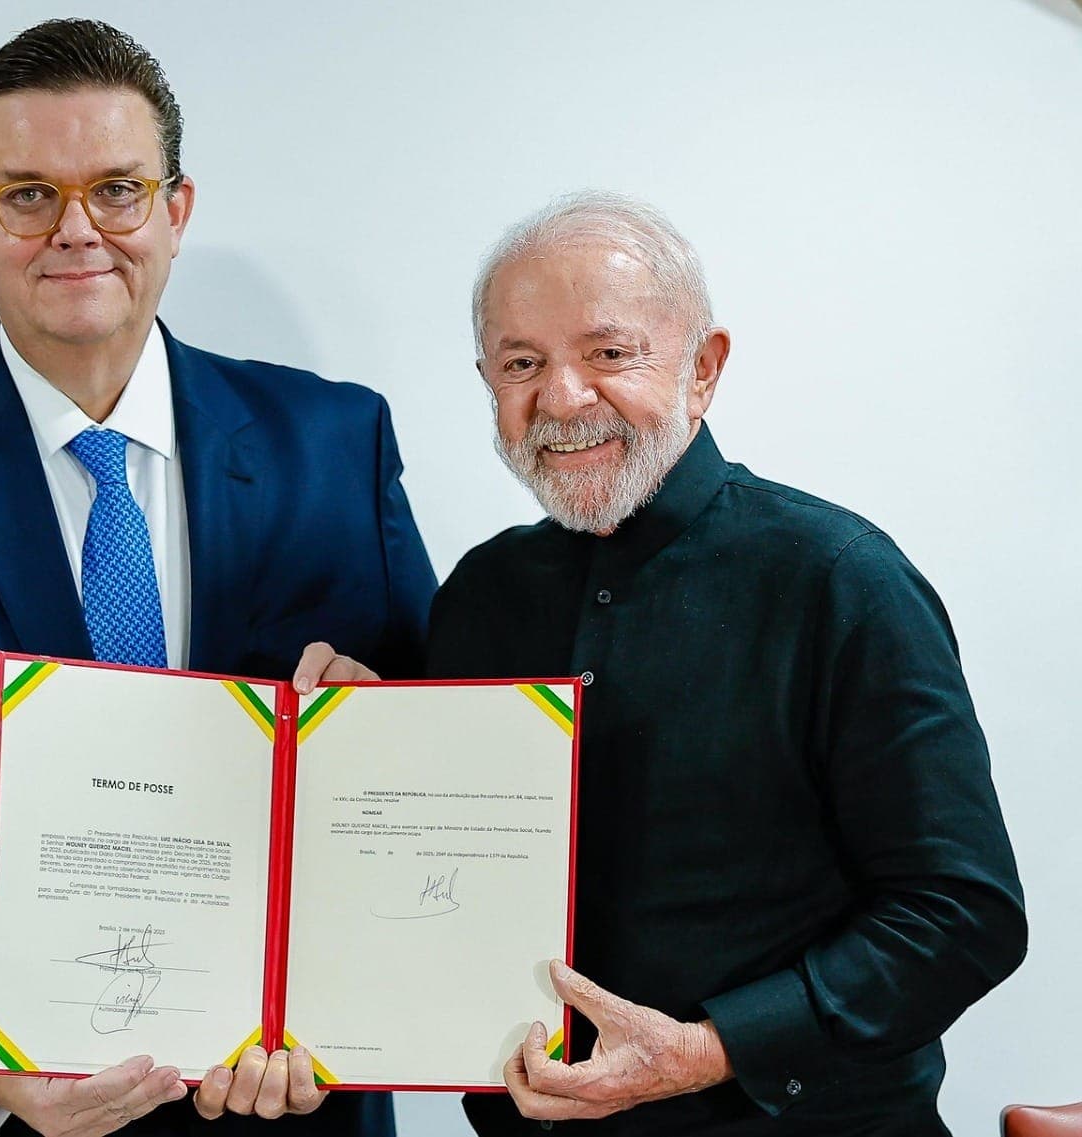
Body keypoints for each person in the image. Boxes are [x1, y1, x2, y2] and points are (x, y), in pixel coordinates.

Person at [0, 18, 433, 1137]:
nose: (76, 230)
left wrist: (380, 735)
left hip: (286, 1100)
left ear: (176, 210)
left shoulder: (334, 445)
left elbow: (435, 772)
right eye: (27, 195)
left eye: (117, 190)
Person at [294, 192, 1026, 1135]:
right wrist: (358, 753)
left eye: (608, 352)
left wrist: (709, 1049)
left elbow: (964, 914)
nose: (562, 397)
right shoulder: (479, 594)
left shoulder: (839, 578)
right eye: (522, 363)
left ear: (703, 368)